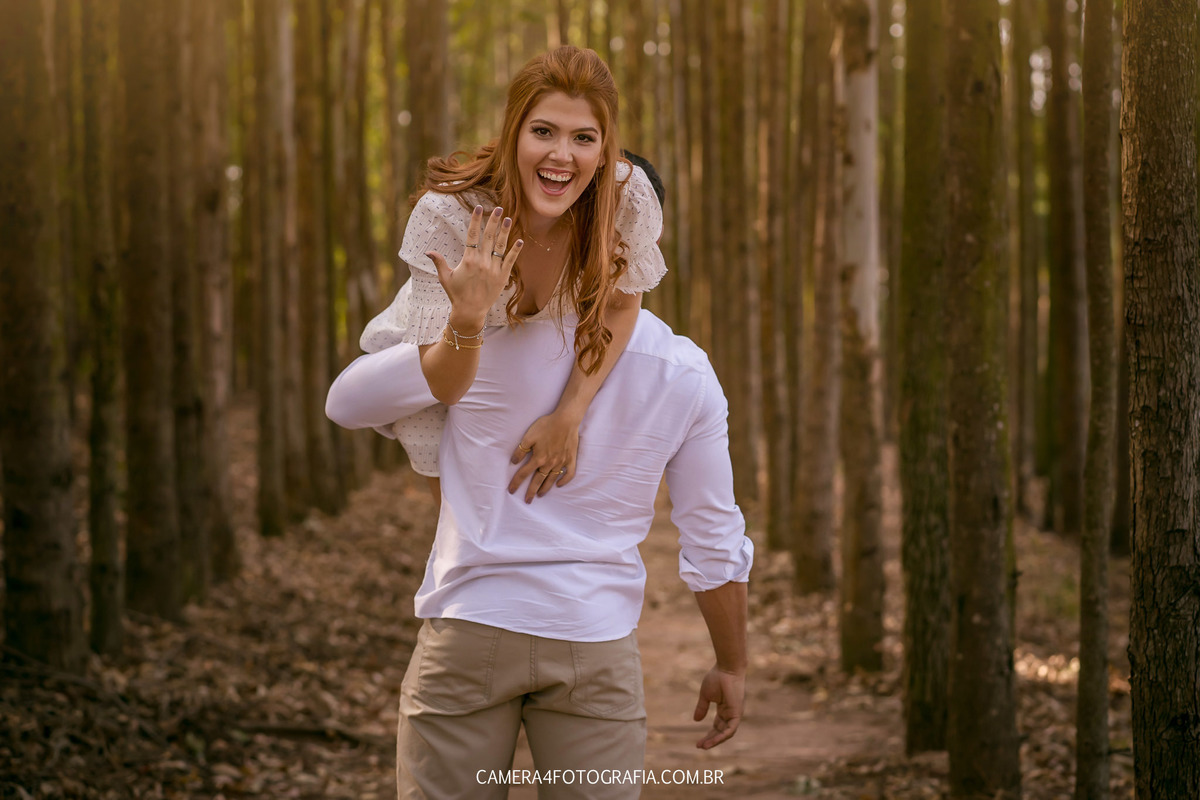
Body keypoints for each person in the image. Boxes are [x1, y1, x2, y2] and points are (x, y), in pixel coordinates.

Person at [326, 302, 752, 799]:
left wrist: (456, 331)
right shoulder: (682, 368)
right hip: (594, 636)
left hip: (469, 626)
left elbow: (345, 404)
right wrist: (731, 664)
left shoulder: (476, 340)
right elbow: (713, 537)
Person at [360, 46, 666, 504]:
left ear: (605, 150)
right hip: (433, 337)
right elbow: (445, 387)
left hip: (515, 356)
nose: (562, 155)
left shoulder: (625, 197)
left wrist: (570, 413)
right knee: (390, 426)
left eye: (584, 138)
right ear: (513, 134)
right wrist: (466, 317)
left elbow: (623, 304)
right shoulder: (447, 215)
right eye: (543, 131)